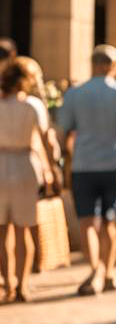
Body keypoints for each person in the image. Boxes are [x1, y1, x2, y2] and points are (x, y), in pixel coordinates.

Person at [56, 45, 116, 295]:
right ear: (114, 66)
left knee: (86, 222)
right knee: (109, 221)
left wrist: (60, 163)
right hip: (114, 164)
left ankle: (94, 269)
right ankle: (108, 272)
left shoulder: (75, 94)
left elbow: (62, 133)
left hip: (83, 164)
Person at [0, 59, 60, 302]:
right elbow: (47, 141)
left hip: (1, 164)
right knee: (24, 229)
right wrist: (53, 169)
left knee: (2, 232)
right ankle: (23, 285)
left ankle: (8, 284)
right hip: (25, 165)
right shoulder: (34, 105)